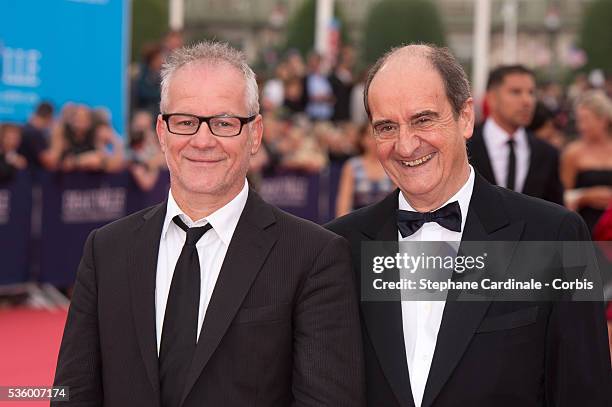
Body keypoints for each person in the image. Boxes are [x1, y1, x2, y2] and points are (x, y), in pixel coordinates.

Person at [52, 41, 364, 407]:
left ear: (255, 134)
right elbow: (72, 393)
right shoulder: (106, 250)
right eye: (185, 122)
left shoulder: (313, 256)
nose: (203, 140)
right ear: (161, 132)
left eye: (223, 123)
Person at [326, 44, 611, 407]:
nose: (406, 144)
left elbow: (585, 392)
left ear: (465, 117)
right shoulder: (338, 246)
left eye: (423, 119)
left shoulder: (557, 237)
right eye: (386, 126)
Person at [469, 65, 564, 205]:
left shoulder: (547, 153)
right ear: (491, 98)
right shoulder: (464, 147)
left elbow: (555, 209)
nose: (527, 101)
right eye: (516, 92)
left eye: (531, 93)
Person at [561, 90, 612, 233]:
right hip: (585, 227)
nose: (581, 126)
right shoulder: (573, 153)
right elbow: (561, 196)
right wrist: (585, 196)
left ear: (603, 120)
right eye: (579, 120)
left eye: (586, 119)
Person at [335, 124, 394, 217]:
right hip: (357, 223)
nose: (374, 140)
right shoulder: (352, 165)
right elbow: (343, 203)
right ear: (362, 139)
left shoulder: (391, 164)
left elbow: (398, 202)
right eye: (370, 136)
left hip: (387, 222)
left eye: (378, 135)